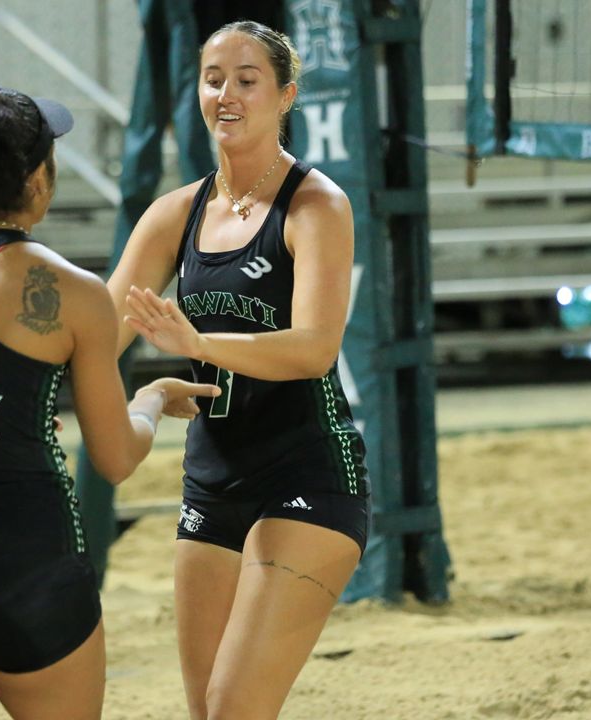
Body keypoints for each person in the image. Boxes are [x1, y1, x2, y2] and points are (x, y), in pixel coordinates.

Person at [0, 87, 219, 720]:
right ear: (36, 179)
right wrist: (152, 400)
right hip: (27, 558)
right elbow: (114, 459)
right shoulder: (67, 289)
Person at [106, 21, 369, 719]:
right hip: (213, 479)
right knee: (207, 713)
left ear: (285, 95)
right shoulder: (174, 214)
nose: (226, 93)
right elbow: (100, 333)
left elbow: (313, 347)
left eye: (246, 80)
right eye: (213, 78)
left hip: (309, 474)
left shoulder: (316, 206)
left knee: (233, 709)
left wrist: (199, 340)